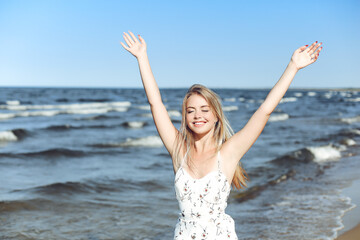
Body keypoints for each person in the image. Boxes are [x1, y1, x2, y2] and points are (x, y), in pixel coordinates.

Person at [120, 31, 322, 239]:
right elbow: (156, 104)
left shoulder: (228, 153)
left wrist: (293, 66)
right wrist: (142, 58)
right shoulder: (179, 150)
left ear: (216, 115)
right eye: (191, 111)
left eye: (205, 110)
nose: (197, 115)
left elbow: (264, 111)